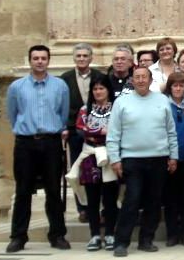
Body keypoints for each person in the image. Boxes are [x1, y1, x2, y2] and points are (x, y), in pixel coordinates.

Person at [5, 45, 70, 253]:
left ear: (49, 61)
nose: (40, 61)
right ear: (30, 61)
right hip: (25, 143)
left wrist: (55, 130)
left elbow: (63, 113)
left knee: (53, 190)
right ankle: (18, 236)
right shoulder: (17, 87)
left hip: (51, 142)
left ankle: (57, 234)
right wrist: (24, 130)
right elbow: (13, 114)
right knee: (23, 190)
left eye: (43, 58)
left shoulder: (60, 86)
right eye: (36, 58)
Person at [107, 66, 178, 257]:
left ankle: (146, 240)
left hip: (158, 158)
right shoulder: (122, 102)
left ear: (150, 79)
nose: (140, 80)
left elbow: (171, 131)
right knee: (132, 200)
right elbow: (113, 134)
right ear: (132, 80)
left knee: (153, 202)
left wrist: (173, 156)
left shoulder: (162, 100)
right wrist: (114, 158)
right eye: (137, 77)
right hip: (132, 159)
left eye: (143, 77)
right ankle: (121, 242)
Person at [71, 78, 119, 252]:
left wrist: (98, 133)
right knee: (92, 199)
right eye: (95, 89)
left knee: (110, 198)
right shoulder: (85, 110)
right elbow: (80, 130)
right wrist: (101, 132)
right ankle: (95, 235)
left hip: (111, 155)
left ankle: (111, 234)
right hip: (90, 156)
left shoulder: (117, 108)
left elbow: (119, 129)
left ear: (108, 90)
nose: (98, 92)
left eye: (102, 88)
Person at [61, 42, 107, 222]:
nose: (81, 59)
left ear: (91, 58)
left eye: (85, 56)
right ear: (74, 58)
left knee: (100, 169)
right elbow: (61, 105)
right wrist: (64, 127)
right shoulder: (64, 79)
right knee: (79, 169)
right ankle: (83, 208)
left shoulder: (99, 76)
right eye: (78, 56)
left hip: (98, 133)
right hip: (74, 131)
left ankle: (101, 209)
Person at [162, 72, 184, 247]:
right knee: (171, 198)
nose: (177, 88)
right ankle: (172, 234)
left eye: (181, 86)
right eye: (175, 85)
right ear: (170, 87)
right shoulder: (162, 105)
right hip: (169, 158)